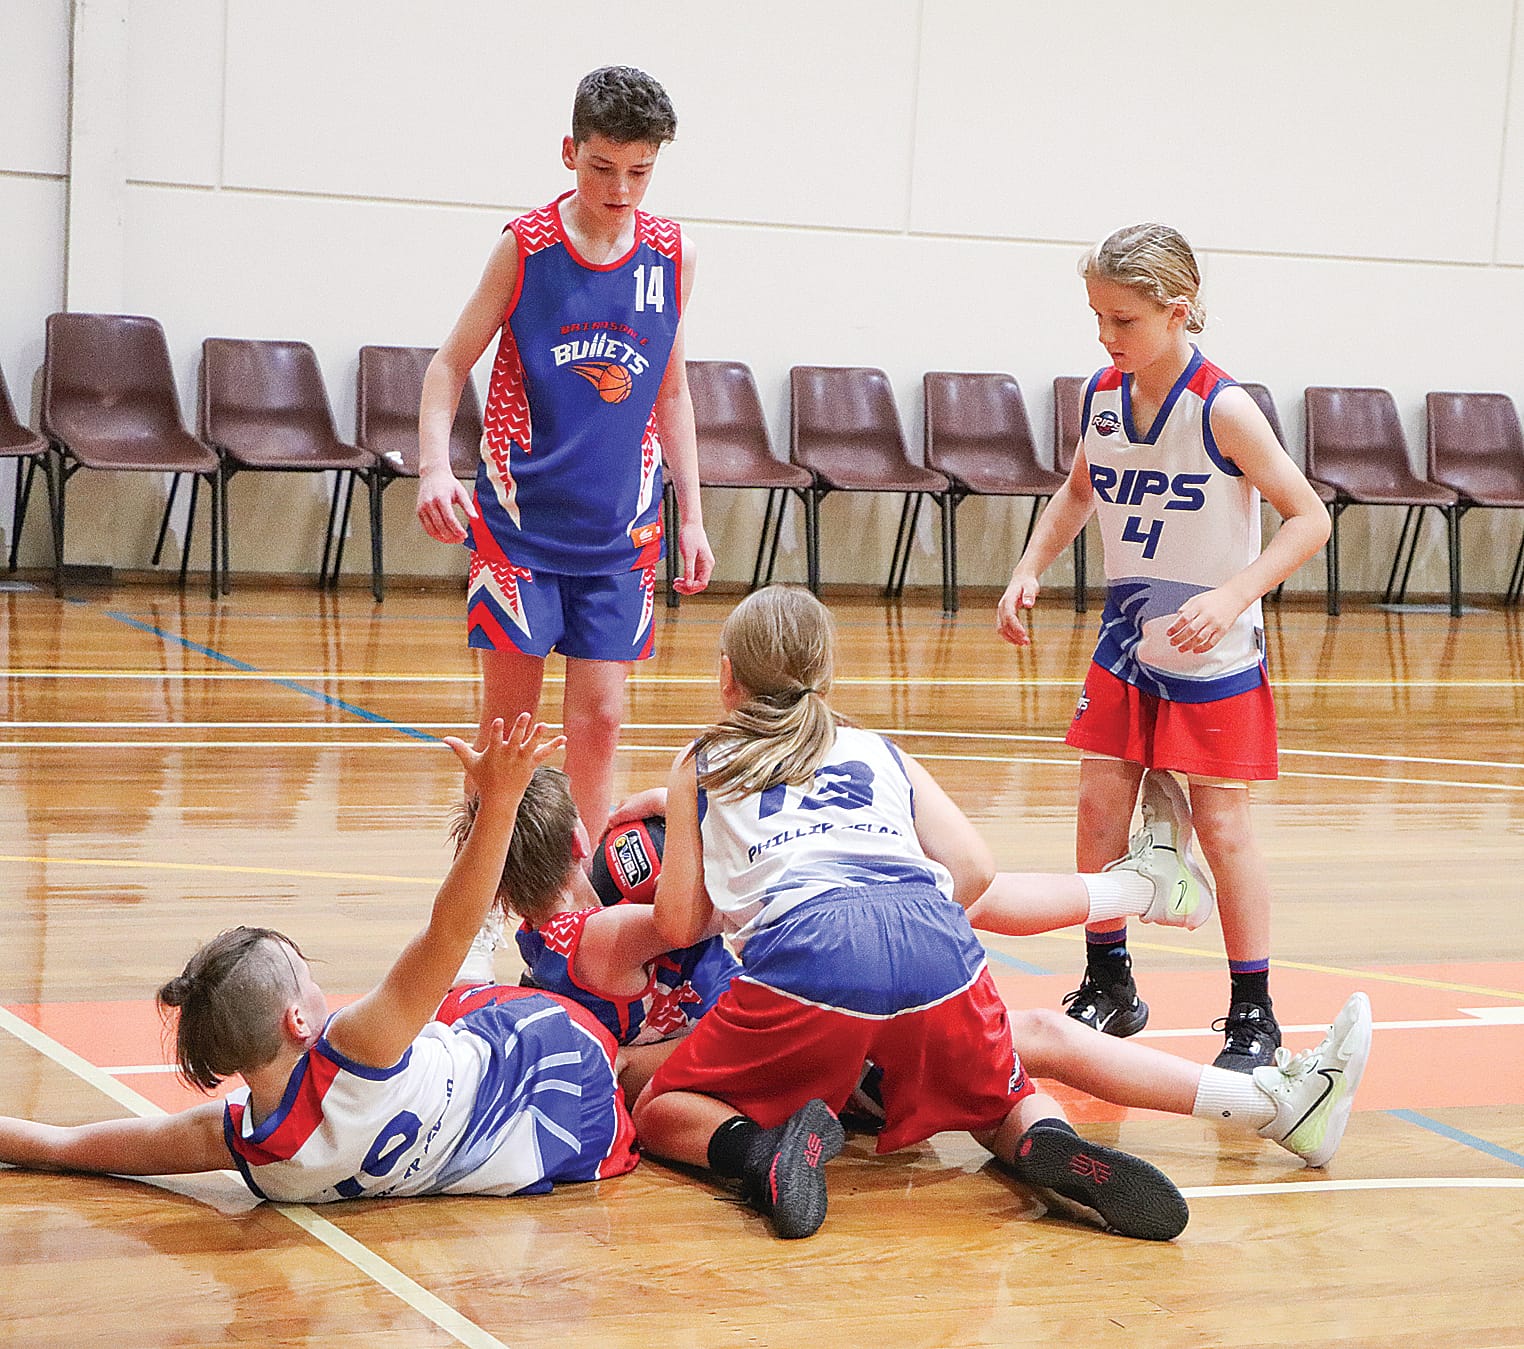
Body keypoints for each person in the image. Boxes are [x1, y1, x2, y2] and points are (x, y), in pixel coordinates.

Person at [629, 586, 1370, 1242]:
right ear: (826, 675)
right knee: (1002, 1090)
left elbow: (677, 923)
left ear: (727, 677)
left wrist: (699, 838)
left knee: (662, 1104)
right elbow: (977, 870)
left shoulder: (702, 758)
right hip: (934, 939)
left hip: (810, 954)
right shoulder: (875, 748)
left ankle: (763, 1156)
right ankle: (1047, 1141)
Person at [0, 716, 642, 1203]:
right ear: (297, 1024)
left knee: (444, 1000)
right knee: (455, 991)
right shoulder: (357, 1048)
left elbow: (68, 1146)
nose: (318, 982)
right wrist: (498, 805)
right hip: (550, 1069)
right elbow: (444, 934)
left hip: (533, 1143)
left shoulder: (254, 1152)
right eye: (304, 974)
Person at [996, 222, 1332, 1071]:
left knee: (1221, 824)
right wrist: (1029, 567)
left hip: (1212, 648)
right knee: (1096, 804)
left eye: (1123, 321)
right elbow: (1077, 492)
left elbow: (1310, 518)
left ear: (1178, 312)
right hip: (1126, 641)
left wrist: (1231, 596)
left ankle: (1254, 1011)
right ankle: (1108, 978)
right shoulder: (1103, 395)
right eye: (1097, 318)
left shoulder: (1223, 406)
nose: (1106, 338)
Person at [415, 65, 715, 844]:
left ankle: (580, 902)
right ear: (568, 153)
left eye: (640, 172)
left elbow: (672, 394)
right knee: (510, 735)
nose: (621, 189)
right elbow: (449, 365)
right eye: (602, 168)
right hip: (521, 526)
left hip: (621, 528)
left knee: (603, 720)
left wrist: (692, 516)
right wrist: (434, 467)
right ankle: (481, 901)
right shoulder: (526, 248)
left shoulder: (671, 254)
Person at [448, 768, 739, 1101]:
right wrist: (674, 807)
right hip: (735, 1033)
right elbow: (734, 906)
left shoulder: (540, 936)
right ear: (579, 840)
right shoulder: (606, 935)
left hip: (692, 1043)